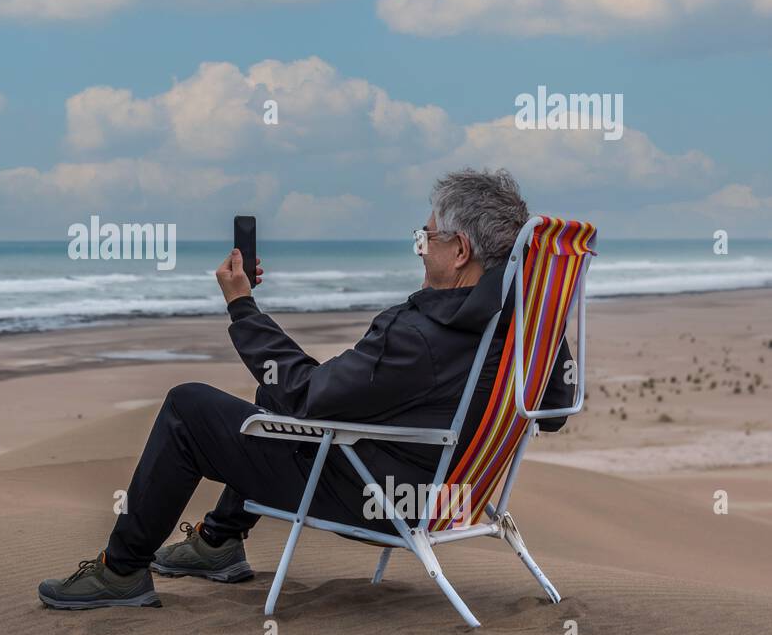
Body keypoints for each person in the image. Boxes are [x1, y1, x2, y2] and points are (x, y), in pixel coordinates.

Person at [37, 168, 572, 609]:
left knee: (188, 407)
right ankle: (220, 541)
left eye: (424, 238)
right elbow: (551, 415)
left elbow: (310, 396)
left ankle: (121, 571)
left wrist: (242, 308)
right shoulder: (530, 327)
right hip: (456, 495)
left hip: (377, 498)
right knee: (275, 396)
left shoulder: (419, 334)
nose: (419, 250)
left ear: (458, 250)